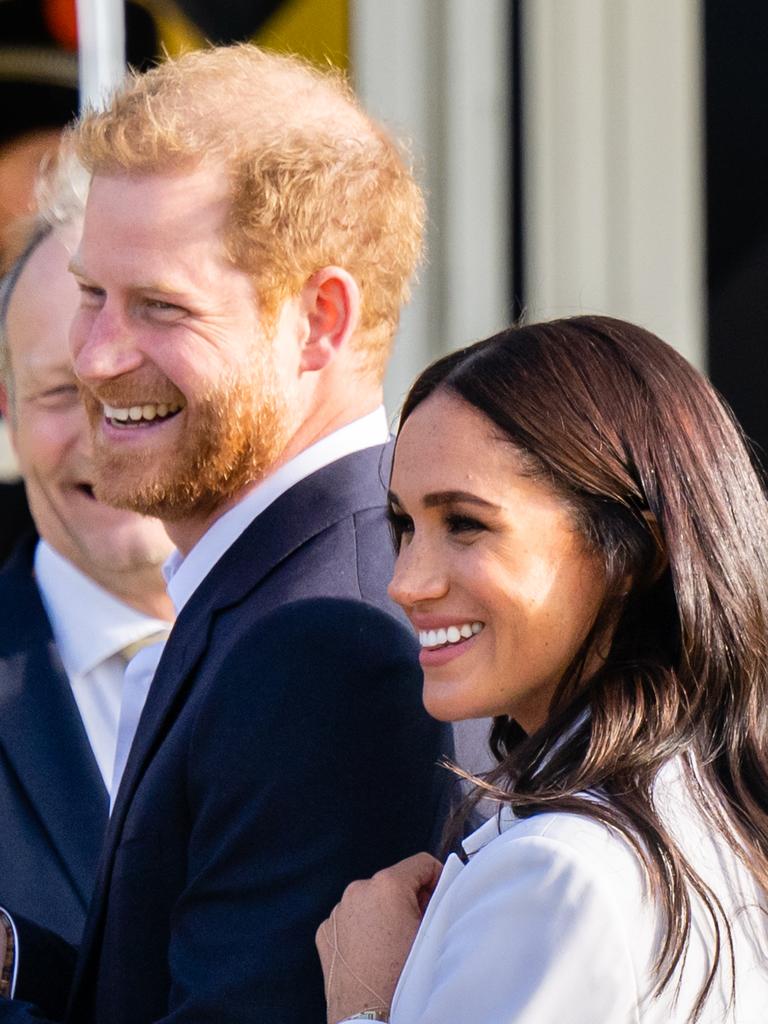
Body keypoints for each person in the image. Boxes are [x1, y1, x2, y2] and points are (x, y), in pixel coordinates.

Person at [0, 44, 449, 1024]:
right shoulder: (275, 589)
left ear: (319, 321)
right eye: (90, 294)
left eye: (160, 305)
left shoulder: (325, 645)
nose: (97, 357)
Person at [317, 315, 768, 1023]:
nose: (406, 582)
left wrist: (361, 1004)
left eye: (465, 523)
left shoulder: (562, 873)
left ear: (631, 552)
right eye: (404, 526)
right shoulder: (706, 817)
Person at [0, 178, 174, 949]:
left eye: (140, 386)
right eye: (59, 393)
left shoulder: (376, 656)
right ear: (5, 406)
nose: (106, 433)